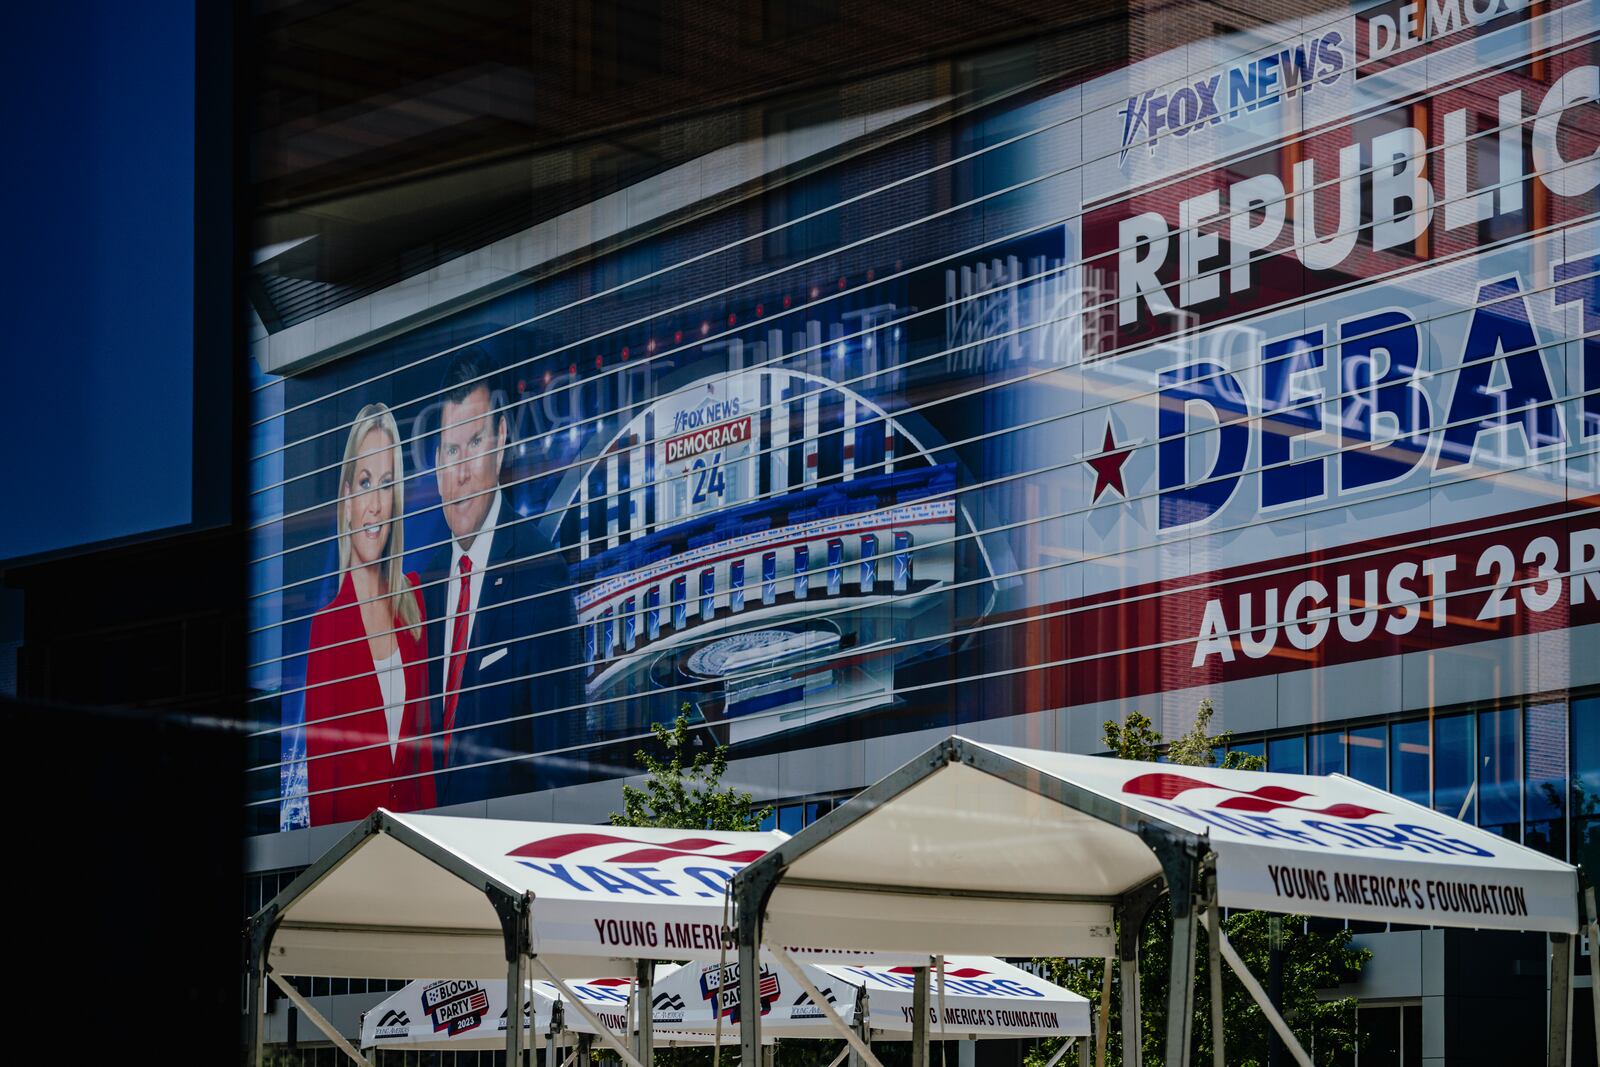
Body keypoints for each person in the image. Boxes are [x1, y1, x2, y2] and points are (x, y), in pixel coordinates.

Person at [424, 349, 576, 806]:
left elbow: (561, 762)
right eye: (451, 450)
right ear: (436, 462)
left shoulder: (539, 572)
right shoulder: (422, 587)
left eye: (474, 444)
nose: (462, 472)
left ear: (501, 439)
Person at [303, 402, 435, 826]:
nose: (375, 504)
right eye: (364, 483)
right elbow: (323, 787)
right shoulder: (327, 629)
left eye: (386, 483)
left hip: (420, 853)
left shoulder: (413, 604)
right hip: (359, 859)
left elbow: (426, 758)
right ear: (346, 500)